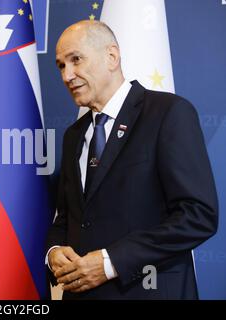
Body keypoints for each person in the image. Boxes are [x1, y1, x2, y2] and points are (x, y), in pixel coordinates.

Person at [46, 20, 218, 299]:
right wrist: (54, 252)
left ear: (111, 56)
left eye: (76, 60)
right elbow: (66, 217)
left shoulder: (168, 113)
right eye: (61, 66)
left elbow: (197, 216)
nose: (67, 75)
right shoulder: (73, 135)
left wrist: (110, 262)